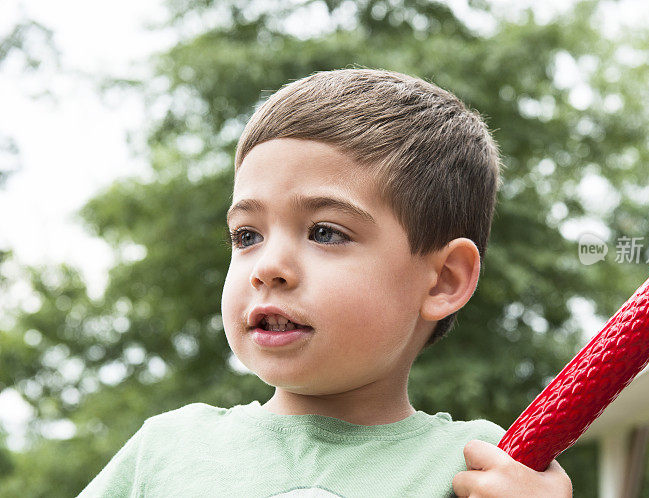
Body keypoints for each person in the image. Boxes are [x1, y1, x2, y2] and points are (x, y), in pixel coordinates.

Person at [79, 68, 572, 497]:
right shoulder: (166, 450)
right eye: (247, 234)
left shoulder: (482, 466)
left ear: (442, 280)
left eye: (325, 233)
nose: (267, 266)